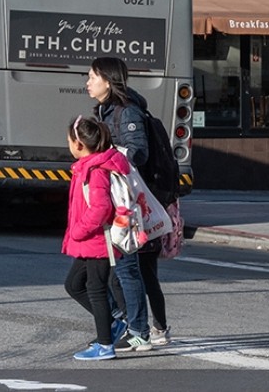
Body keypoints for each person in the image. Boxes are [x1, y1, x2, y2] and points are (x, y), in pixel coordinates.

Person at [86, 56, 158, 352]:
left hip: (125, 200)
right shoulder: (105, 109)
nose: (87, 82)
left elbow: (139, 152)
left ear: (107, 79)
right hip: (114, 197)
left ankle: (139, 330)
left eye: (91, 77)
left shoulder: (126, 111)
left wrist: (105, 157)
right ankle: (127, 323)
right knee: (113, 269)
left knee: (127, 268)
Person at [63, 115, 132, 361]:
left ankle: (105, 345)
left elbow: (101, 207)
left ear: (79, 144)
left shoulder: (96, 170)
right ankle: (113, 324)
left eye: (69, 141)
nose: (68, 145)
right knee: (74, 285)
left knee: (95, 290)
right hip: (90, 242)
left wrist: (79, 230)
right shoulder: (87, 166)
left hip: (97, 241)